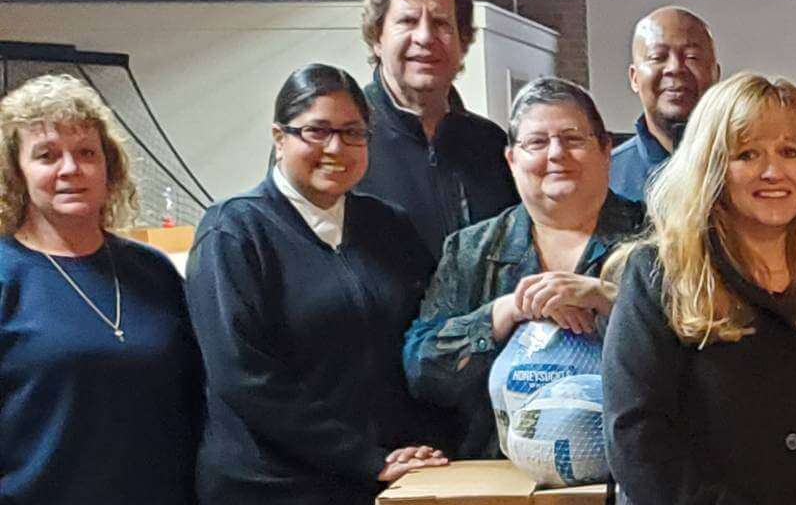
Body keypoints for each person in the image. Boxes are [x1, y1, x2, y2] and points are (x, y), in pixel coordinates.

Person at [603, 72, 796, 504]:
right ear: (712, 167)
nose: (774, 171)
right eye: (748, 154)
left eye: (790, 152)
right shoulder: (660, 274)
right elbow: (638, 438)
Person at [185, 64, 448, 503]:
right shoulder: (233, 231)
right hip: (272, 486)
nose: (336, 148)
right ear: (278, 137)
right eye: (316, 131)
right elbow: (243, 374)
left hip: (373, 481)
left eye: (352, 132)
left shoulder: (388, 226)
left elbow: (421, 338)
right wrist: (363, 456)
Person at [404, 77, 644, 459]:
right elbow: (423, 373)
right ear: (511, 159)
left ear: (605, 149)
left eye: (573, 139)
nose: (556, 154)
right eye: (536, 142)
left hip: (632, 475)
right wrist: (503, 313)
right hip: (501, 478)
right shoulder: (472, 250)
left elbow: (699, 354)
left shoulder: (656, 239)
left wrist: (611, 300)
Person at [0, 75, 201, 504]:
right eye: (47, 155)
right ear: (17, 171)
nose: (70, 169)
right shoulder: (5, 278)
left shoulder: (153, 272)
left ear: (108, 166)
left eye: (86, 153)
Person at [353, 0, 518, 259]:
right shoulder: (340, 142)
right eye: (408, 21)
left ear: (464, 40)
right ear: (377, 36)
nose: (425, 37)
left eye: (441, 23)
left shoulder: (492, 147)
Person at [612, 6, 722, 202]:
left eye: (692, 57)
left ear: (716, 75)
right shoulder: (604, 178)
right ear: (634, 78)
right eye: (658, 57)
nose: (675, 68)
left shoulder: (746, 170)